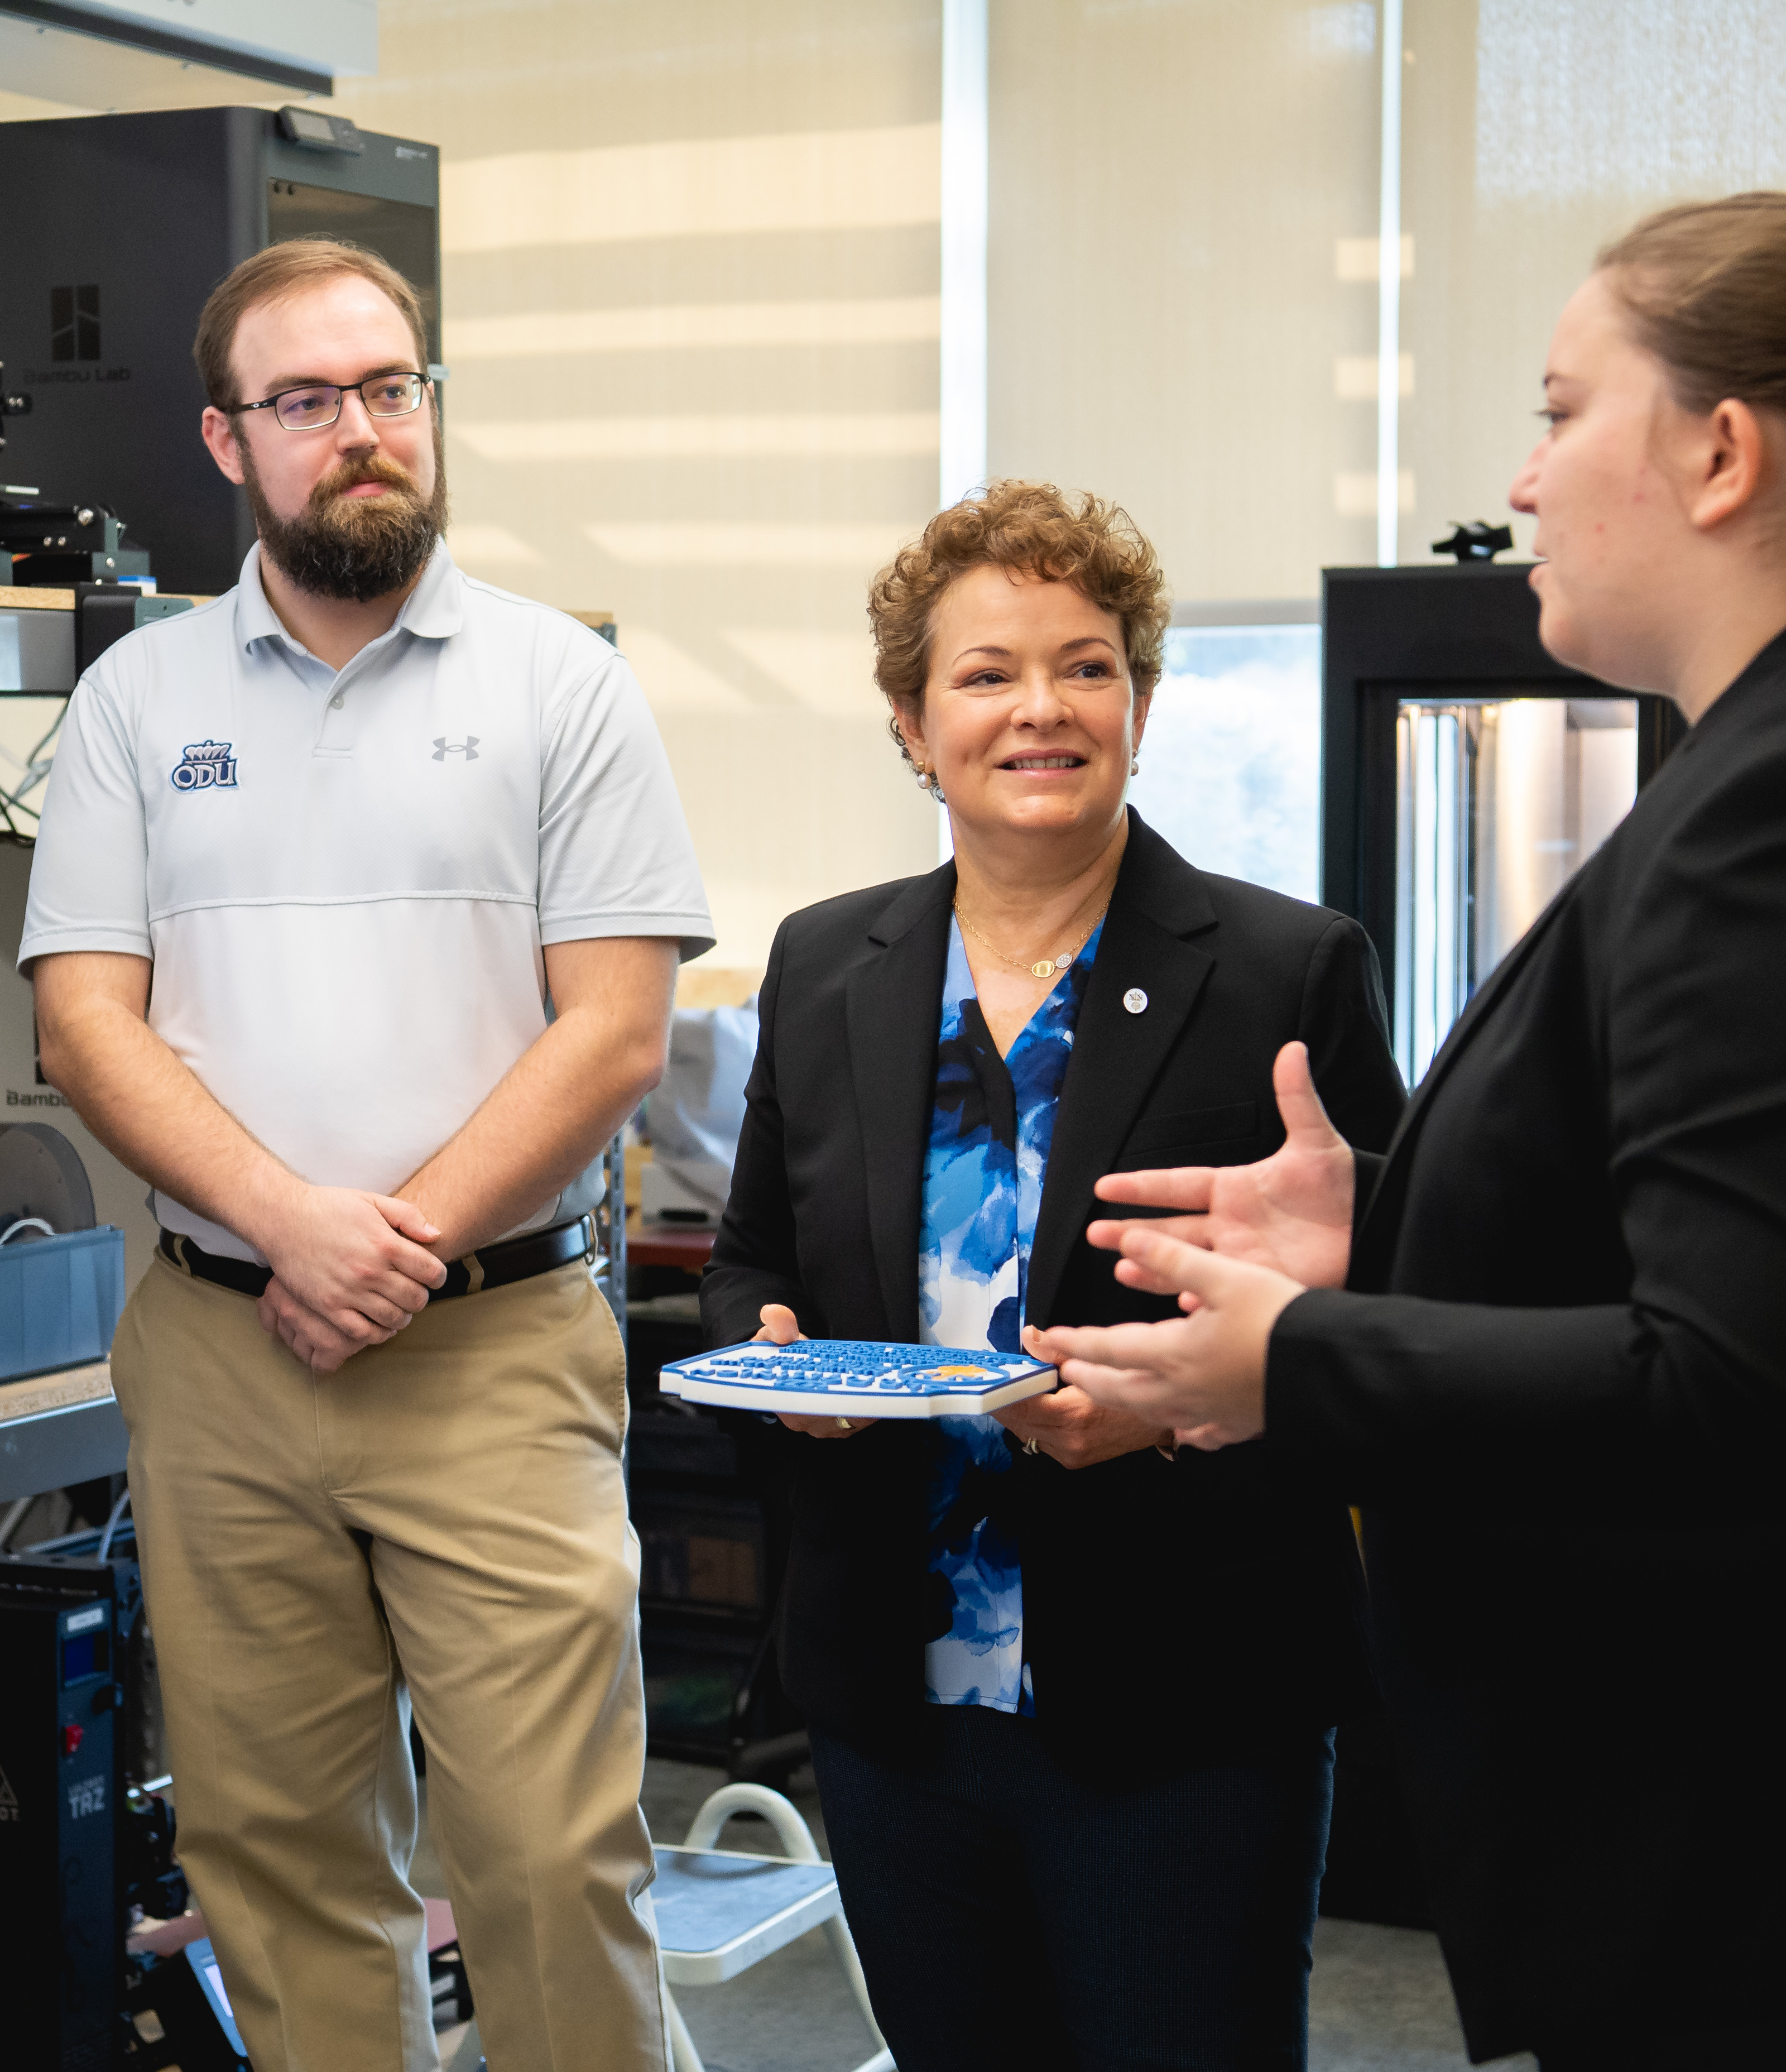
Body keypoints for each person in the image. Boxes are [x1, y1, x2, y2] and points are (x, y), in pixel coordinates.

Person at [1033, 193, 1786, 2068]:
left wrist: (1299, 1357)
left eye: (1561, 410)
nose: (1522, 474)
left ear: (1721, 453)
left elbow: (1736, 1388)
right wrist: (1390, 1233)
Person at [22, 237, 713, 2072]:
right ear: (226, 440)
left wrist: (386, 1243)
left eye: (390, 388)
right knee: (276, 1855)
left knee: (554, 1857)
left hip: (489, 1350)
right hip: (223, 1353)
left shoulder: (566, 687)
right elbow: (84, 1020)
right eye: (307, 401)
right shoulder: (136, 705)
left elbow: (616, 1032)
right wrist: (289, 1229)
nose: (361, 431)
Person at [701, 482, 1408, 2071]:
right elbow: (754, 1250)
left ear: (1144, 707)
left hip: (1186, 1695)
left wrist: (1171, 1414)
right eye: (987, 672)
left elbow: (1393, 1319)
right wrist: (775, 1358)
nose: (1042, 709)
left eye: (1088, 667)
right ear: (910, 718)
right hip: (896, 1692)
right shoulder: (827, 964)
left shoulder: (1287, 971)